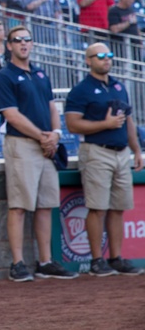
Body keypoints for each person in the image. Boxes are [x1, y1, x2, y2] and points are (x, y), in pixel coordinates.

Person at [0, 26, 76, 282]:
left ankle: (45, 261)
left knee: (44, 205)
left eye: (27, 39)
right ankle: (17, 263)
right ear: (9, 46)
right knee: (19, 205)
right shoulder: (5, 75)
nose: (23, 44)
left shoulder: (41, 73)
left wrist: (55, 133)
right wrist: (42, 136)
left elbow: (52, 106)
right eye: (17, 40)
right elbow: (11, 114)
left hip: (46, 146)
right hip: (22, 145)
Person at [64, 43, 144, 276]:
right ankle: (97, 259)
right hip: (96, 151)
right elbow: (72, 124)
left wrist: (136, 150)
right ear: (88, 60)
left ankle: (116, 257)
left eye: (109, 55)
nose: (106, 59)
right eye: (100, 56)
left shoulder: (119, 86)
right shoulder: (81, 90)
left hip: (121, 153)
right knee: (98, 207)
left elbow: (128, 120)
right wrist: (105, 124)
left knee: (118, 208)